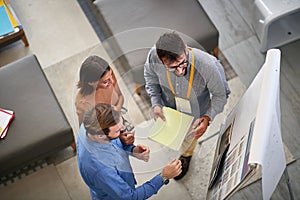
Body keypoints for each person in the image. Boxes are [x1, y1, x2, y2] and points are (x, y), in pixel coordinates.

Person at [144, 32, 229, 180]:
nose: (179, 71)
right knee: (173, 134)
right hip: (169, 108)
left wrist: (207, 118)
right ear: (160, 60)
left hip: (196, 114)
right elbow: (150, 78)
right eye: (171, 68)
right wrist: (156, 103)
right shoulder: (153, 56)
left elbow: (221, 95)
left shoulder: (209, 66)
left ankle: (187, 155)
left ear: (186, 48)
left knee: (189, 138)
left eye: (182, 63)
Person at [77, 103, 182, 200]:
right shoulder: (100, 169)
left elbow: (112, 142)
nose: (123, 129)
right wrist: (164, 176)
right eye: (118, 130)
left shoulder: (91, 123)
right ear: (100, 135)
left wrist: (130, 148)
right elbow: (130, 197)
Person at [75, 55, 133, 145]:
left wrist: (117, 110)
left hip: (117, 123)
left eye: (111, 76)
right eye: (105, 81)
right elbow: (87, 133)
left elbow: (120, 96)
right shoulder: (83, 104)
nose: (112, 82)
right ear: (90, 82)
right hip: (106, 137)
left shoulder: (108, 74)